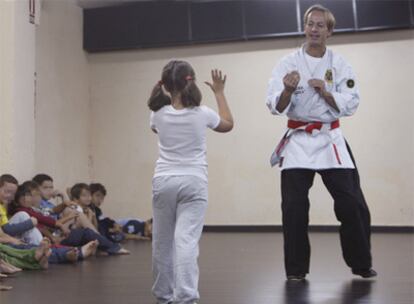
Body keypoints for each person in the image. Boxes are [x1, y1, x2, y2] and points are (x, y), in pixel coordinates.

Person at [266, 4, 376, 281]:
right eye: (310, 24)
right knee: (294, 206)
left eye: (320, 25)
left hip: (330, 138)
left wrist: (327, 93)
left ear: (329, 31)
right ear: (305, 28)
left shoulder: (339, 64)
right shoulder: (287, 63)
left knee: (351, 203)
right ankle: (296, 270)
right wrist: (288, 91)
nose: (314, 29)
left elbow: (352, 103)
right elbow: (274, 105)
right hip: (299, 139)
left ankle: (361, 263)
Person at [148, 60, 233, 304]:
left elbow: (157, 129)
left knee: (162, 241)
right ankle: (185, 297)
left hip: (163, 181)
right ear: (191, 80)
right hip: (193, 181)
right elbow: (228, 124)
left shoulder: (157, 114)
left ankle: (164, 296)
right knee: (185, 241)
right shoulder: (202, 113)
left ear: (164, 84)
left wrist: (161, 98)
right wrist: (219, 93)